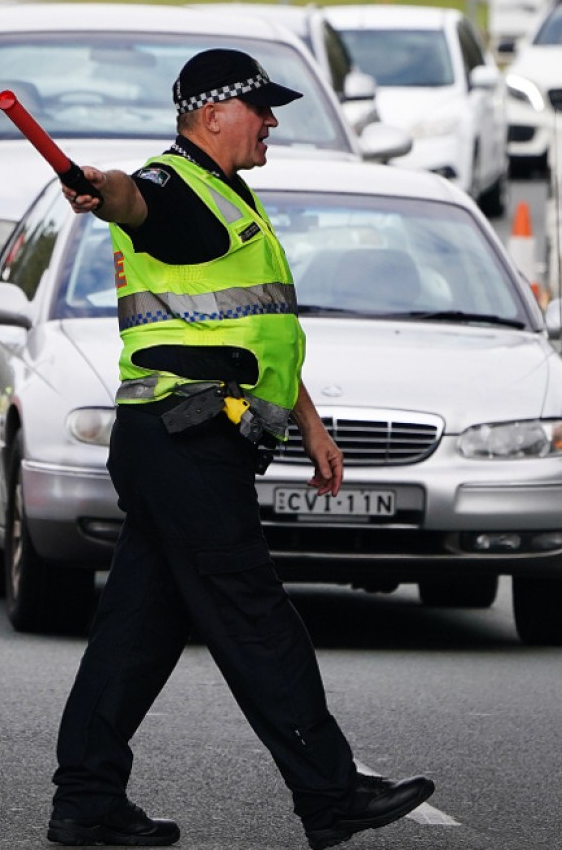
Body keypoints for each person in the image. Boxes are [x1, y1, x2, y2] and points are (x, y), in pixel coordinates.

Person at [47, 48, 435, 850]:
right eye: (259, 108)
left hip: (179, 439)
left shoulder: (226, 195)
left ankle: (86, 800)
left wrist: (311, 422)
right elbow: (131, 199)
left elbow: (248, 332)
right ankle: (328, 793)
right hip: (184, 438)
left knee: (137, 630)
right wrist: (100, 185)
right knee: (254, 613)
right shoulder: (175, 187)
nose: (271, 122)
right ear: (210, 113)